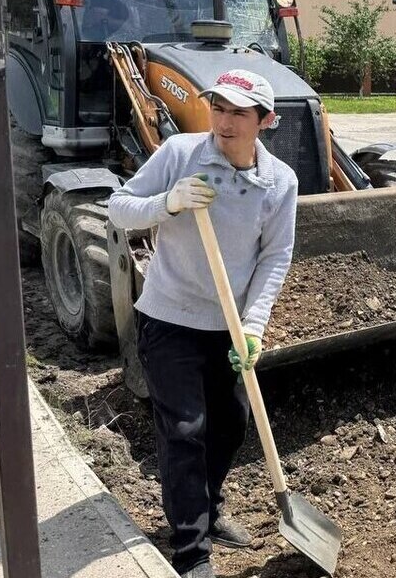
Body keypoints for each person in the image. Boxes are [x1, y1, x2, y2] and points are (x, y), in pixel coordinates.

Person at [107, 69, 297, 578]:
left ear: (265, 121)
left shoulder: (279, 181)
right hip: (168, 319)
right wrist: (167, 203)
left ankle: (208, 510)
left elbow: (275, 257)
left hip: (228, 326)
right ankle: (191, 550)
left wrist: (253, 326)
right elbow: (119, 209)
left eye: (238, 113)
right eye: (218, 108)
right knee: (184, 430)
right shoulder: (180, 154)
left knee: (231, 425)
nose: (224, 122)